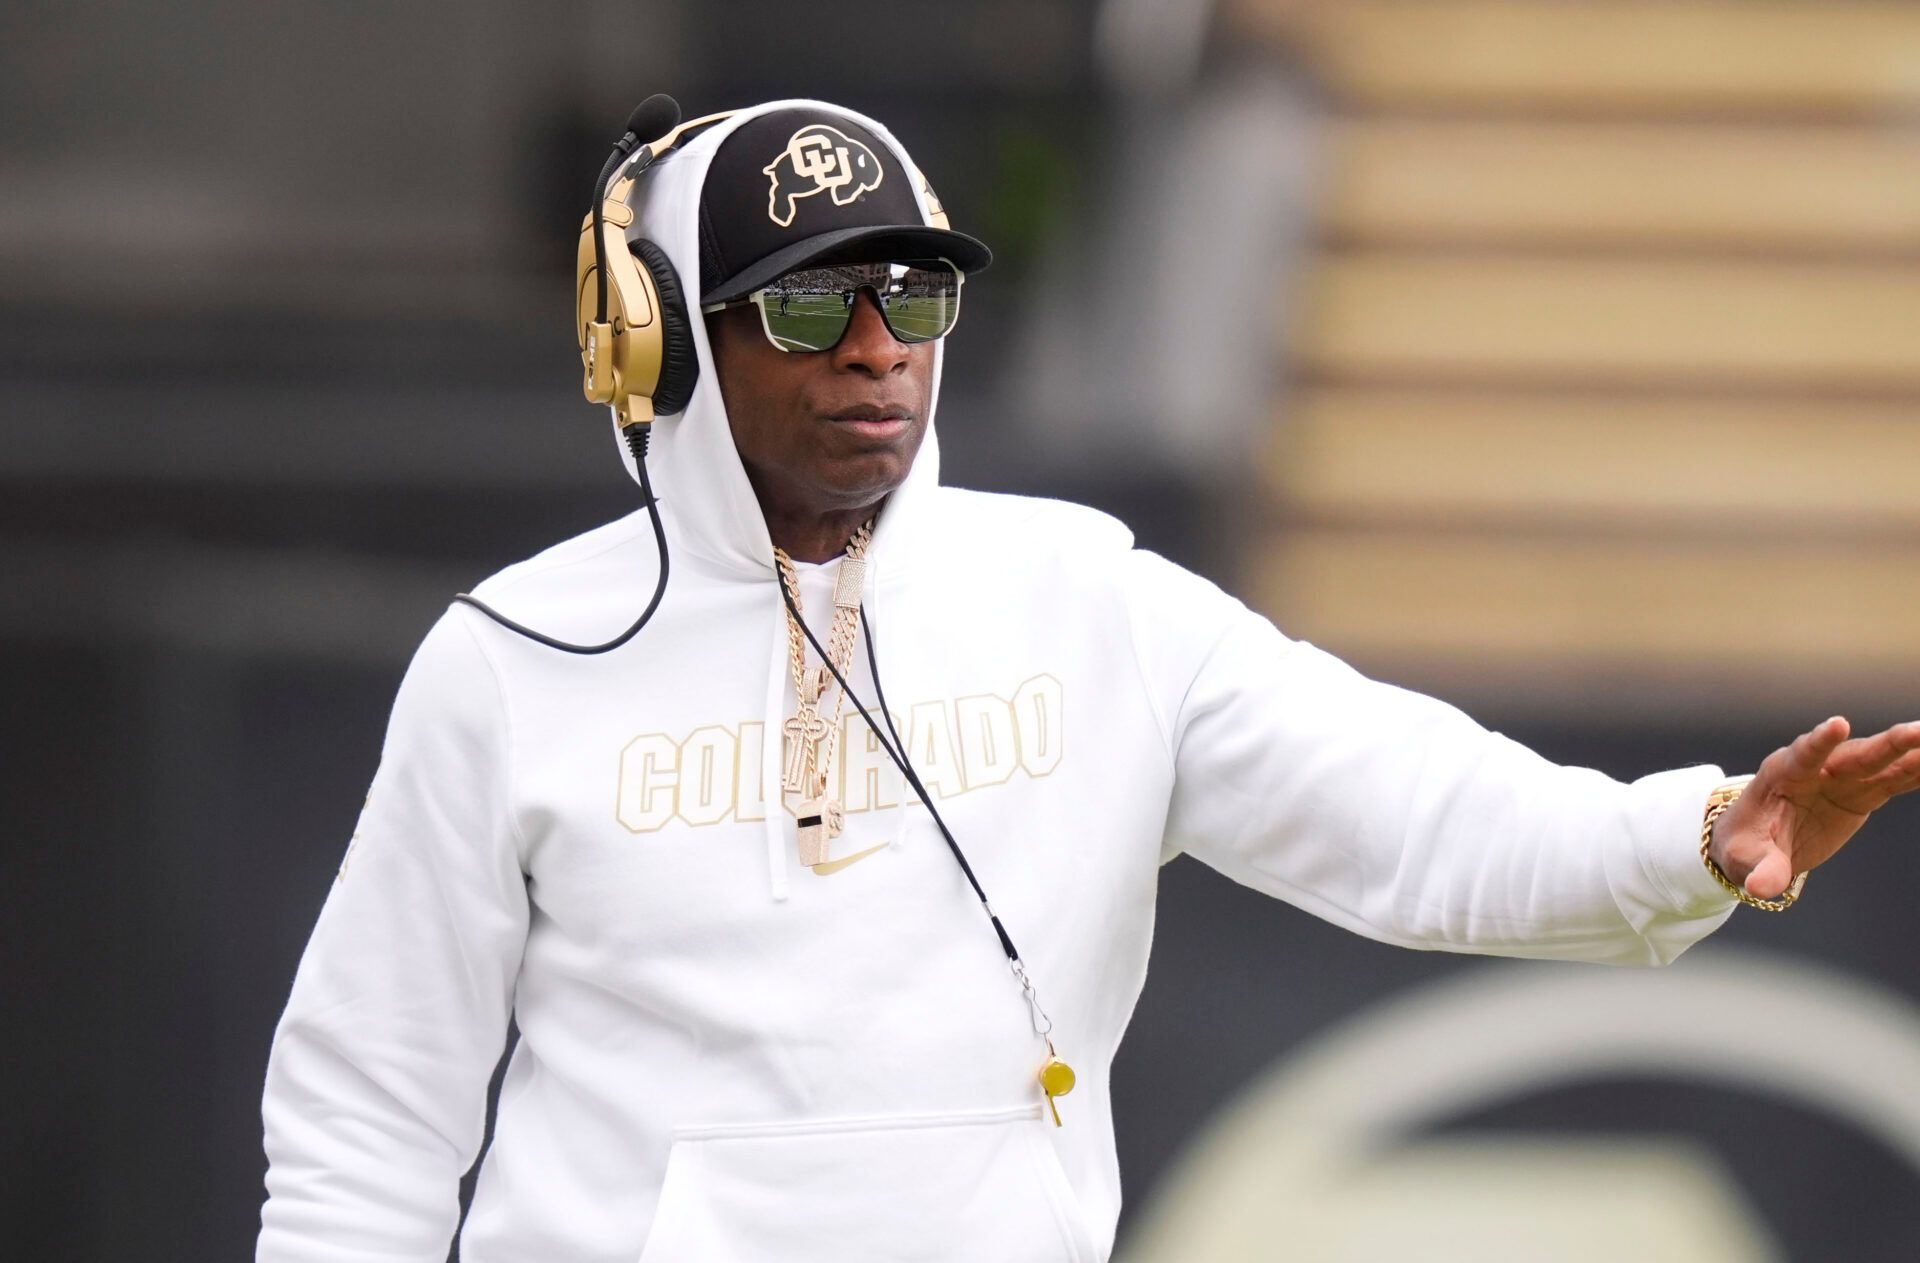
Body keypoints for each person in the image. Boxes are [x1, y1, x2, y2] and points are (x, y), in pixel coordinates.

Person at [256, 99, 1920, 1263]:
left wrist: (1691, 835)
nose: (876, 346)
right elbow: (367, 1114)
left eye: (911, 289)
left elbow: (1417, 813)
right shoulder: (510, 660)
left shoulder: (1087, 596)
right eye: (810, 298)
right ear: (661, 343)